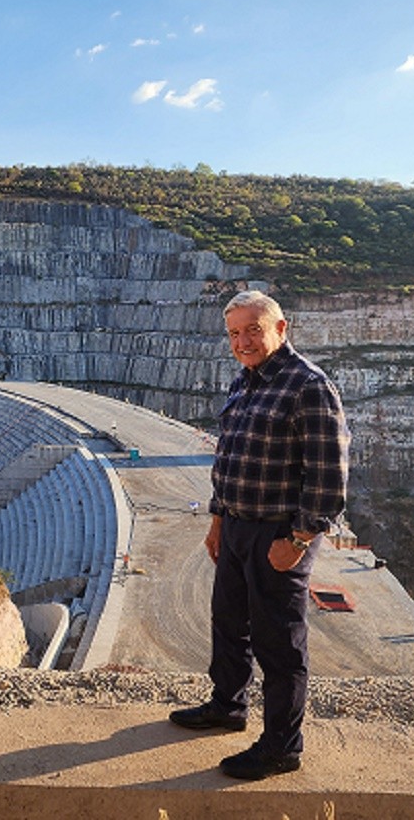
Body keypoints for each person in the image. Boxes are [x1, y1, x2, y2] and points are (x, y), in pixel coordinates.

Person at [169, 289, 350, 781]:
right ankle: (227, 706)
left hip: (278, 532)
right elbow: (230, 457)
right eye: (234, 333)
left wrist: (298, 539)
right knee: (228, 622)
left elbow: (329, 476)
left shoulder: (308, 386)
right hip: (236, 525)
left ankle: (281, 746)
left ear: (280, 328)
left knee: (278, 642)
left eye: (253, 329)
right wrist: (218, 519)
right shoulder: (245, 381)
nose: (243, 341)